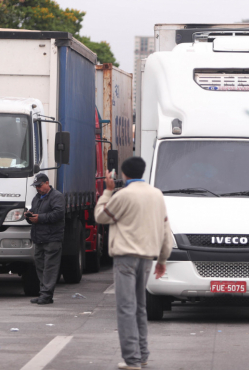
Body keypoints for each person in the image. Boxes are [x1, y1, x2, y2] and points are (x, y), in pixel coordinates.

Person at [96, 157, 173, 370]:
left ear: (124, 174)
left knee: (126, 307)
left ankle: (132, 360)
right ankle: (142, 355)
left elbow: (101, 217)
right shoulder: (156, 194)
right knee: (140, 307)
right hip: (147, 258)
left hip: (125, 258)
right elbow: (166, 229)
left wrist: (107, 192)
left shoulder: (123, 195)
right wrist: (163, 258)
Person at [27, 173, 65, 305]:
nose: (37, 188)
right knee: (40, 265)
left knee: (50, 267)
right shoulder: (37, 198)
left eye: (39, 185)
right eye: (36, 186)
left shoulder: (57, 196)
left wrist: (40, 218)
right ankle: (44, 293)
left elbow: (58, 214)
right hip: (39, 238)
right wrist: (29, 215)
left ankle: (46, 295)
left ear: (47, 183)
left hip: (52, 238)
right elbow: (35, 212)